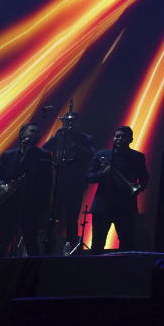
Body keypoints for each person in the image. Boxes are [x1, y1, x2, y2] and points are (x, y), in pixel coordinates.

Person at [86, 126, 148, 252]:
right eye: (117, 136)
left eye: (123, 136)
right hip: (103, 206)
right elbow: (88, 177)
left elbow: (144, 178)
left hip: (126, 206)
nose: (119, 139)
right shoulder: (101, 155)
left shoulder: (138, 157)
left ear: (130, 139)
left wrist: (138, 188)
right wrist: (103, 173)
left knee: (127, 244)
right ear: (113, 138)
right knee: (97, 245)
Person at [42, 107, 95, 254]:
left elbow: (91, 154)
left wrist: (72, 144)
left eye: (73, 122)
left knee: (72, 218)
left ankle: (72, 247)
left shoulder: (85, 138)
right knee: (53, 217)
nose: (70, 125)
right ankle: (51, 247)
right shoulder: (59, 135)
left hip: (75, 184)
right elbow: (44, 150)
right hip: (57, 183)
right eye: (67, 122)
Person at [0, 123, 53, 257]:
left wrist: (44, 209)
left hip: (30, 205)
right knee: (3, 243)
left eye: (37, 132)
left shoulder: (43, 155)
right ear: (22, 134)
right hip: (8, 204)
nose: (35, 135)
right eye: (32, 131)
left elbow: (47, 183)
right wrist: (1, 186)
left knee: (31, 243)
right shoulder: (8, 155)